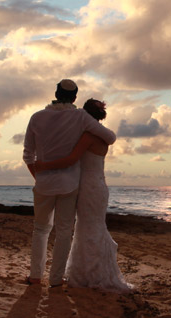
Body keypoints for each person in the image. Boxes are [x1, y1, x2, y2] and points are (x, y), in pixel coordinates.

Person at [22, 80, 116, 287]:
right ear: (75, 98)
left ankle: (35, 276)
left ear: (55, 93)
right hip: (69, 184)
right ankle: (56, 279)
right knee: (64, 231)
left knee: (40, 229)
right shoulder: (80, 116)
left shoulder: (37, 117)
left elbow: (28, 155)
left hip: (44, 183)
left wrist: (39, 176)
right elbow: (109, 137)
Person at [34, 98, 133, 293]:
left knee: (88, 229)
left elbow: (71, 159)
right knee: (93, 227)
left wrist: (44, 165)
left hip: (88, 187)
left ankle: (91, 275)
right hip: (99, 186)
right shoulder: (103, 137)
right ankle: (92, 273)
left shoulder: (88, 136)